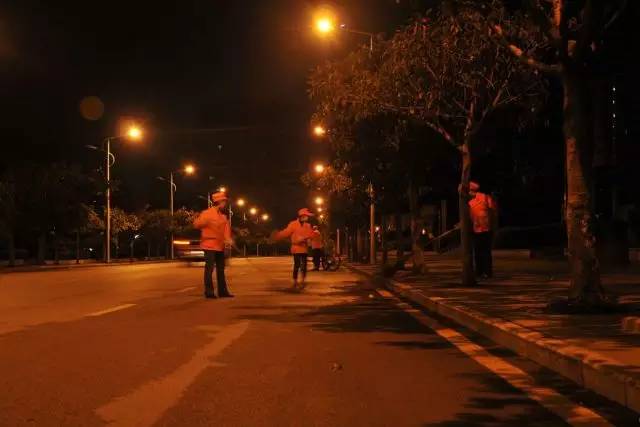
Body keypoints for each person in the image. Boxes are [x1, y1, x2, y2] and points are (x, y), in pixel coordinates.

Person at [193, 191, 234, 298]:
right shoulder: (207, 213)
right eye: (224, 202)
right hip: (209, 245)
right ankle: (209, 292)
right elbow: (196, 224)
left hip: (220, 246)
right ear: (219, 202)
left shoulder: (223, 217)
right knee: (209, 269)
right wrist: (201, 221)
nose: (225, 204)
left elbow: (226, 232)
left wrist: (228, 241)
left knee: (221, 270)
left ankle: (223, 291)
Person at [273, 208, 315, 289]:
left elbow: (312, 235)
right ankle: (295, 281)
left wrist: (307, 238)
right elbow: (286, 232)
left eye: (307, 216)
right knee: (297, 265)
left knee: (304, 266)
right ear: (301, 216)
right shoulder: (293, 224)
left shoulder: (308, 226)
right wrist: (278, 235)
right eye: (306, 216)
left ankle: (302, 280)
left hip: (304, 248)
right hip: (296, 248)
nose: (307, 218)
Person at [468, 181, 498, 279]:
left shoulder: (483, 198)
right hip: (481, 229)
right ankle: (483, 272)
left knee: (481, 252)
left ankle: (483, 272)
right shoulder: (473, 201)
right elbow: (494, 210)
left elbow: (494, 211)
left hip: (483, 229)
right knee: (483, 252)